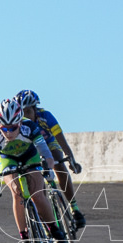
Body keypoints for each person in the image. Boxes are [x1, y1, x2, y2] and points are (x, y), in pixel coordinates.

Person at [0, 98, 67, 243]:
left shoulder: (29, 126)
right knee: (17, 194)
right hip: (8, 159)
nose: (8, 132)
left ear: (20, 122)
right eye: (4, 129)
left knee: (37, 194)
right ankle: (24, 238)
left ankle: (54, 229)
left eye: (12, 128)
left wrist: (48, 169)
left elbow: (45, 151)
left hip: (31, 156)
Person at [15, 90, 86, 228]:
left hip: (49, 143)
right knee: (37, 185)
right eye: (22, 113)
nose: (26, 117)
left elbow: (60, 138)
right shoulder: (19, 124)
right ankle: (49, 224)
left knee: (59, 162)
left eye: (28, 111)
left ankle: (74, 208)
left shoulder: (46, 116)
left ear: (36, 109)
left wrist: (71, 159)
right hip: (32, 149)